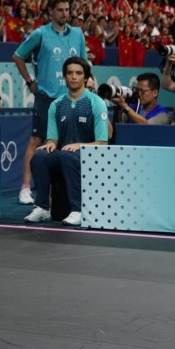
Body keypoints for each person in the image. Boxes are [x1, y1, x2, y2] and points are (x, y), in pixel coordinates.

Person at [12, 0, 86, 205]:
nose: (65, 14)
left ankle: (62, 192)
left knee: (67, 144)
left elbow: (83, 64)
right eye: (60, 10)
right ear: (51, 11)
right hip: (46, 97)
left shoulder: (78, 34)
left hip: (71, 98)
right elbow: (18, 56)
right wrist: (29, 81)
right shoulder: (40, 33)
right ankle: (25, 188)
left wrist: (88, 84)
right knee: (37, 140)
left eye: (67, 10)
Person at [24, 56, 109, 227]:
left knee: (66, 156)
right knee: (39, 156)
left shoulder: (97, 103)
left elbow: (102, 143)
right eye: (70, 73)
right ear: (64, 77)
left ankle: (77, 210)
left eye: (78, 73)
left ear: (86, 77)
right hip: (64, 154)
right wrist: (51, 144)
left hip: (88, 155)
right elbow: (53, 139)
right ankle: (42, 207)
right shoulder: (56, 105)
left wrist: (79, 146)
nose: (74, 77)